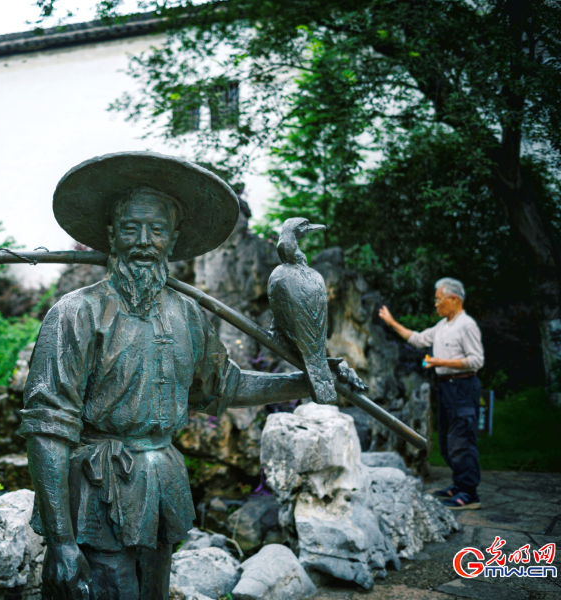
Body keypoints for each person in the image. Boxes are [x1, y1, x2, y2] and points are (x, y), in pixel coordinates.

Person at [18, 152, 363, 600]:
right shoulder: (75, 314)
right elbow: (47, 430)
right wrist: (62, 542)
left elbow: (228, 386)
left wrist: (314, 380)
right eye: (130, 228)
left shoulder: (187, 314)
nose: (143, 241)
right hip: (96, 498)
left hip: (159, 485)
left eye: (157, 230)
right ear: (111, 235)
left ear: (174, 238)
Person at [378, 278, 484, 511]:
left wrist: (439, 361)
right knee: (447, 441)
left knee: (462, 440)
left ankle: (469, 493)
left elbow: (477, 360)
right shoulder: (442, 325)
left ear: (454, 299)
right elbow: (417, 339)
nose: (435, 305)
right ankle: (458, 485)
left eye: (438, 299)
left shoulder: (467, 325)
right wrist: (392, 322)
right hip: (446, 387)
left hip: (463, 387)